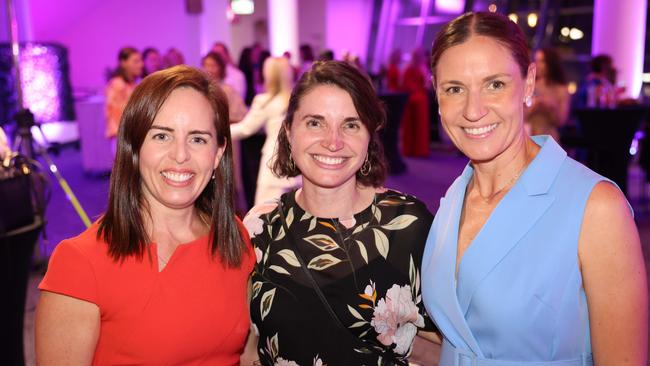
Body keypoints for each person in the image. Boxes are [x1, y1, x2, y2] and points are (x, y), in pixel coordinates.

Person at [421, 12, 647, 365]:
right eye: (454, 89)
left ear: (528, 85)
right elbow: (463, 340)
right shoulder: (453, 200)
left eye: (495, 84)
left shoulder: (595, 206)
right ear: (437, 96)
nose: (473, 110)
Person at [36, 66, 255, 365]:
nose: (180, 155)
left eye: (198, 139)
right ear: (134, 147)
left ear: (218, 153)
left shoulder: (234, 238)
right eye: (162, 136)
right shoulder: (81, 263)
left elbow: (248, 354)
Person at [241, 60, 437, 365]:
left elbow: (450, 349)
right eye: (315, 122)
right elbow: (250, 346)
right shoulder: (260, 227)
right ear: (290, 131)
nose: (333, 142)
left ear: (370, 136)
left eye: (350, 124)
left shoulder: (409, 226)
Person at [230, 57, 300, 205]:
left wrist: (216, 131)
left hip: (273, 163)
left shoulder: (265, 101)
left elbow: (246, 129)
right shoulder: (298, 100)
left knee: (263, 217)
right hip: (298, 164)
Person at [202, 51, 248, 212]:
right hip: (207, 140)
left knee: (227, 176)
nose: (209, 69)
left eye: (213, 65)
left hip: (226, 138)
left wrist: (221, 123)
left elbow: (241, 115)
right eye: (206, 65)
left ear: (221, 68)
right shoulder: (201, 91)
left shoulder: (227, 90)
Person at [524, 47, 569, 140]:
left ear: (551, 63)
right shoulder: (529, 85)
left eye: (542, 61)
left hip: (550, 139)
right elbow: (520, 117)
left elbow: (561, 121)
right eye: (536, 61)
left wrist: (551, 106)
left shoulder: (561, 89)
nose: (538, 65)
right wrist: (534, 105)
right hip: (529, 137)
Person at [105, 47, 142, 154]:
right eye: (136, 61)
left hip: (132, 137)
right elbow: (114, 115)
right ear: (123, 63)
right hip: (123, 139)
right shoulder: (117, 84)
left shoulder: (133, 84)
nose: (141, 64)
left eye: (140, 61)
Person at [400, 47, 430, 157]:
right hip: (417, 99)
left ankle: (415, 150)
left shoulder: (417, 68)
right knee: (416, 126)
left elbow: (406, 84)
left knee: (416, 126)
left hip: (417, 99)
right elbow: (408, 84)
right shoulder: (414, 68)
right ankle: (417, 150)